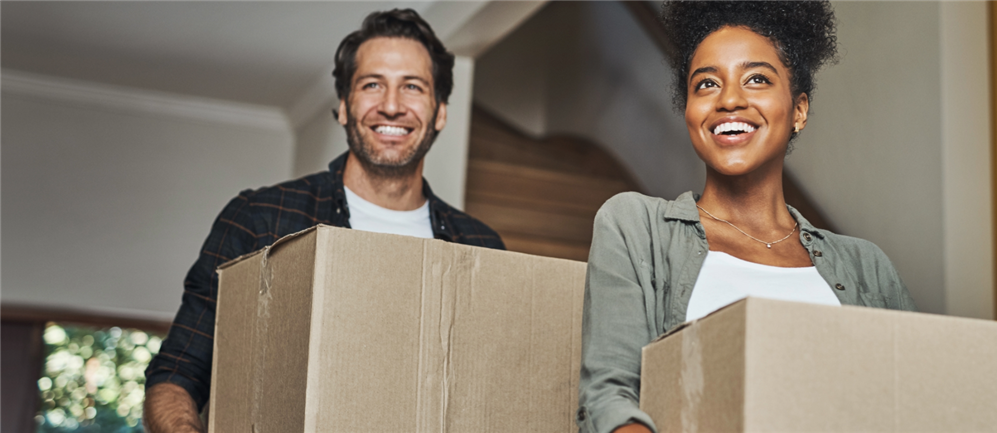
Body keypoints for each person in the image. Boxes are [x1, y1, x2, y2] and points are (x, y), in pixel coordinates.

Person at [142, 9, 505, 432]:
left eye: (412, 86)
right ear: (344, 107)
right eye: (372, 85)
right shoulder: (260, 219)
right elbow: (176, 375)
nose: (391, 105)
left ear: (440, 111)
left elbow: (491, 396)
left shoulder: (481, 249)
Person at [576, 0, 917, 432]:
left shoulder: (868, 266)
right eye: (706, 85)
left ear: (799, 110)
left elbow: (915, 399)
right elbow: (609, 398)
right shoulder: (634, 227)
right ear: (690, 113)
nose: (729, 100)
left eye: (756, 79)